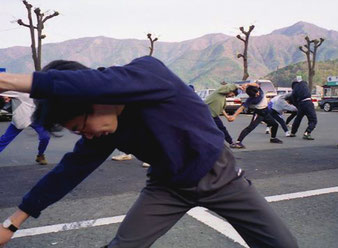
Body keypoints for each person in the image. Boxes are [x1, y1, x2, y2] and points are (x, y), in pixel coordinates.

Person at [0, 57, 298, 248]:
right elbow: (68, 171)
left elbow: (92, 81)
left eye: (81, 126)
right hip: (167, 187)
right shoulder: (105, 131)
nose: (87, 135)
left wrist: (7, 80)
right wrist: (12, 224)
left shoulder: (150, 76)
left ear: (91, 97)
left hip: (223, 179)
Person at [0, 91, 50, 165]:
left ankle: (40, 155)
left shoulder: (41, 89)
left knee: (45, 137)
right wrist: (5, 96)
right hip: (21, 117)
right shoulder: (19, 91)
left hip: (36, 119)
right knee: (5, 139)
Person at [228, 83, 283, 149]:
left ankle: (273, 138)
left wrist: (247, 84)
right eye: (255, 95)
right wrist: (234, 115)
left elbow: (256, 84)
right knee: (250, 128)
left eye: (257, 92)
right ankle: (238, 142)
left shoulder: (259, 89)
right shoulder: (250, 99)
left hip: (266, 112)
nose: (257, 94)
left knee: (275, 124)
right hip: (258, 113)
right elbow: (242, 108)